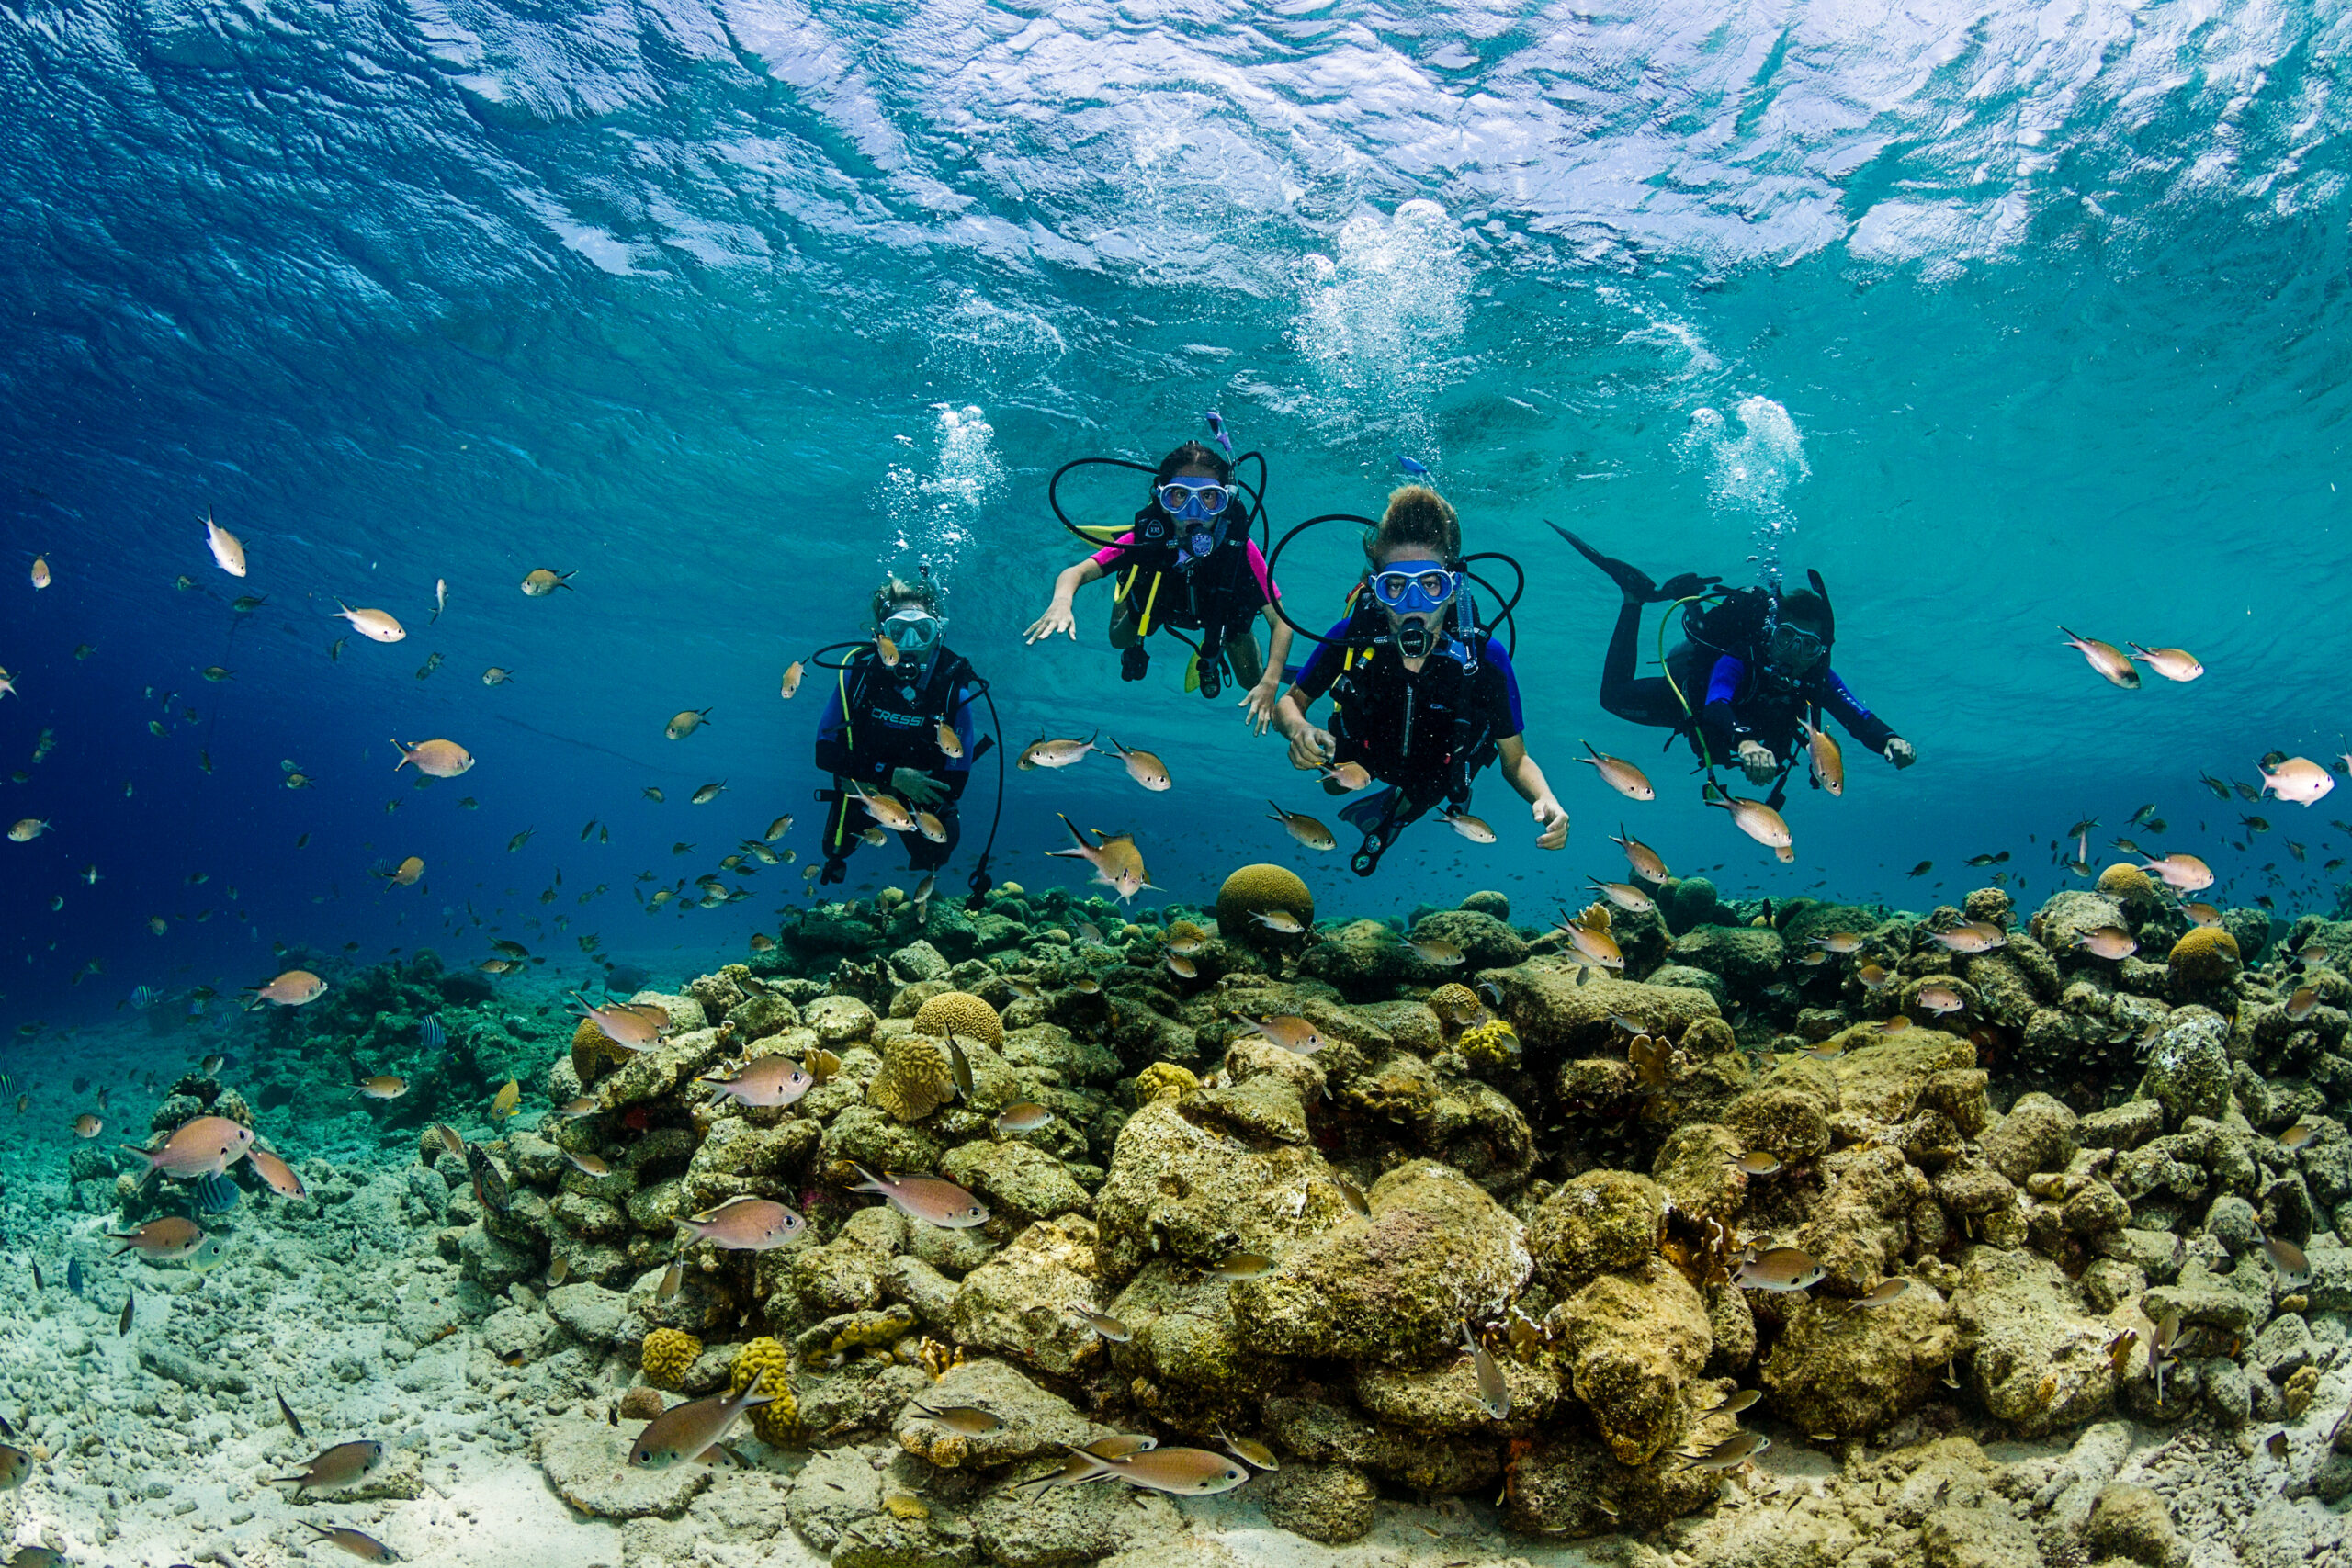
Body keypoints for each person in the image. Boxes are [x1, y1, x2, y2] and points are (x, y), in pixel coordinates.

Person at [1272, 485, 1568, 875]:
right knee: (1332, 783)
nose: (1413, 604)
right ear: (1377, 590)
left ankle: (1393, 816)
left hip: (1439, 767)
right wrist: (1299, 730)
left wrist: (1545, 797)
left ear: (1452, 590)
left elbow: (1516, 759)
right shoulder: (1352, 634)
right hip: (1364, 749)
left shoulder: (1484, 657)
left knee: (1430, 794)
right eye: (1395, 585)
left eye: (1430, 585)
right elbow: (1288, 704)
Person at [1554, 524, 1915, 801]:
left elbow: (1858, 716)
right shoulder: (1743, 656)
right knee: (1612, 698)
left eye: (1807, 646)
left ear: (1821, 651)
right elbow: (1717, 700)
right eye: (1787, 637)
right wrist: (1745, 742)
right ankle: (1633, 597)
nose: (1793, 653)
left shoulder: (1817, 676)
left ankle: (1676, 599)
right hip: (1694, 697)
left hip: (1737, 733)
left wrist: (1890, 739)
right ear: (1772, 631)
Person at [1023, 440, 1293, 732]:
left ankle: (1233, 652)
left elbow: (1281, 621)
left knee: (1251, 682)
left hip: (1220, 613)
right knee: (1119, 640)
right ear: (1161, 499)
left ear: (1225, 501)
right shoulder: (1145, 539)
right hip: (1156, 604)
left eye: (1209, 499)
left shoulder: (1238, 547)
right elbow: (1075, 573)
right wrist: (1062, 602)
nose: (1194, 512)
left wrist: (1271, 681)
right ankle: (1125, 588)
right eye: (1179, 496)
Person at [813, 577, 984, 886]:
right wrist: (891, 777)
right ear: (881, 633)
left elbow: (956, 781)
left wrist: (912, 788)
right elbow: (824, 751)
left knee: (935, 853)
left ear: (938, 634)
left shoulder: (952, 690)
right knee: (833, 848)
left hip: (919, 788)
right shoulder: (858, 677)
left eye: (922, 631)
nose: (908, 643)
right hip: (868, 782)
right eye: (896, 631)